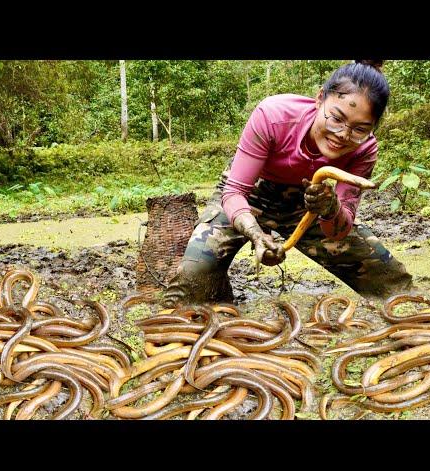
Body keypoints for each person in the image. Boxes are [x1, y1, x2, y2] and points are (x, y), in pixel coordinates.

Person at [162, 60, 412, 308]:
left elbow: (339, 228)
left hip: (311, 205)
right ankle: (217, 285)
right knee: (189, 286)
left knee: (395, 286)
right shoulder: (273, 114)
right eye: (336, 118)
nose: (343, 135)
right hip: (249, 197)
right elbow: (235, 191)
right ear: (319, 98)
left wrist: (330, 208)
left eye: (360, 129)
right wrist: (256, 234)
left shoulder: (364, 149)